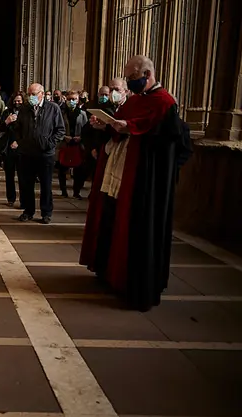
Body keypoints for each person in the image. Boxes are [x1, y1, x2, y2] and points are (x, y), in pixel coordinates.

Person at [80, 55, 192, 312]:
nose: (130, 84)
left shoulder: (165, 103)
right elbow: (120, 127)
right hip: (119, 171)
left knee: (138, 229)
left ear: (147, 74)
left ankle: (135, 286)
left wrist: (130, 127)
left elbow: (170, 143)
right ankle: (110, 274)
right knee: (112, 220)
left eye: (132, 78)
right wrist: (105, 126)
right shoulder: (136, 101)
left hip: (144, 179)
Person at [6, 82, 65, 224]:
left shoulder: (53, 108)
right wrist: (21, 140)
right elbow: (18, 129)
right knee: (27, 185)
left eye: (34, 94)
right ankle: (28, 211)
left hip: (45, 154)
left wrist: (49, 143)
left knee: (46, 185)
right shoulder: (25, 109)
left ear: (42, 94)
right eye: (29, 94)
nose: (30, 97)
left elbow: (60, 130)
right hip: (27, 153)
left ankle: (46, 212)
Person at [57, 91, 89, 199]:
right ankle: (63, 190)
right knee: (62, 168)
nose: (72, 101)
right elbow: (57, 128)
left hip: (77, 143)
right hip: (65, 143)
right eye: (70, 99)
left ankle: (76, 191)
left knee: (78, 169)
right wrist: (64, 137)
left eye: (74, 99)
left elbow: (86, 129)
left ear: (78, 100)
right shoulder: (61, 113)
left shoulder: (82, 114)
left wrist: (80, 137)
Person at [0, 92, 25, 208]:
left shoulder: (26, 113)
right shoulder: (7, 112)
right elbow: (0, 128)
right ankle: (11, 198)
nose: (17, 103)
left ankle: (24, 200)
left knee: (23, 176)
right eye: (15, 101)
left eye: (19, 100)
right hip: (8, 148)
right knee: (9, 175)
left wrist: (19, 142)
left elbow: (29, 131)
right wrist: (7, 121)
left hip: (22, 147)